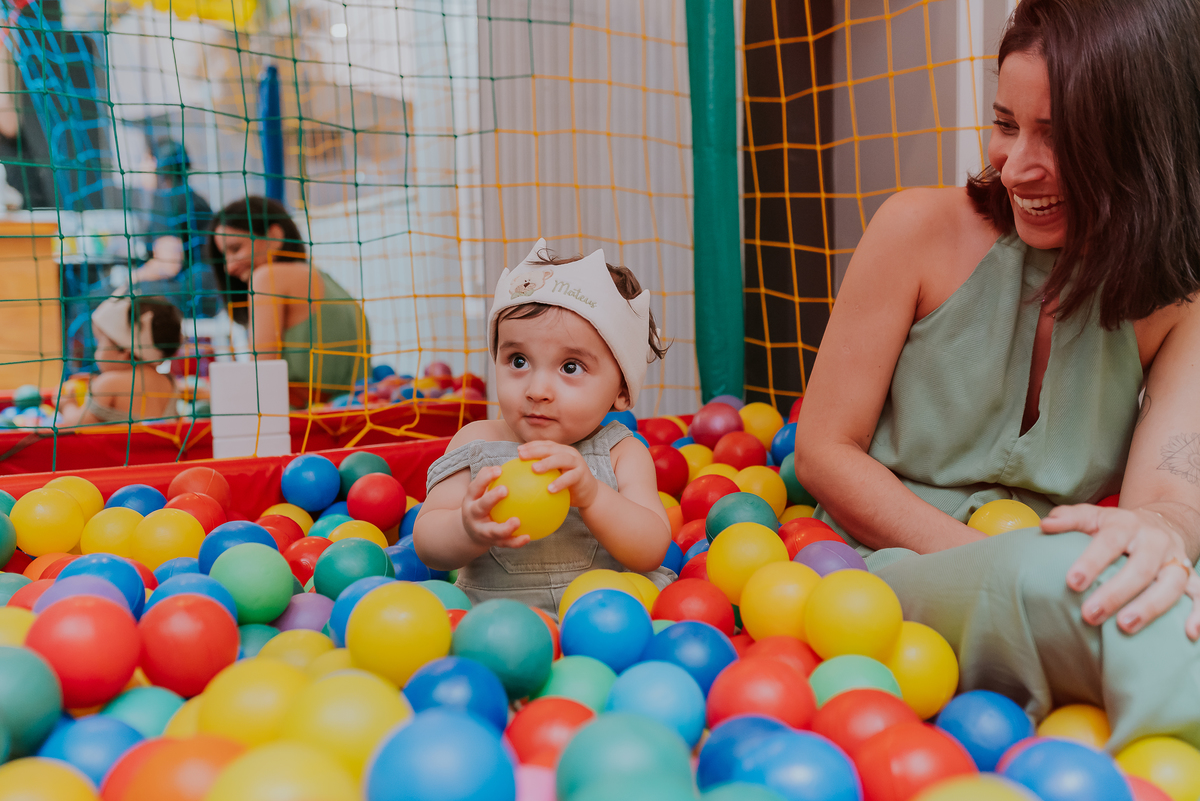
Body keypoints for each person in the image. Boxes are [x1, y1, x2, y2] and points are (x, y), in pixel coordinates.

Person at [795, 0, 1200, 749]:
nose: (1014, 167)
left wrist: (1159, 539)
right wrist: (990, 560)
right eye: (1006, 123)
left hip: (1052, 570)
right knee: (1074, 587)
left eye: (1060, 138)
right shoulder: (915, 228)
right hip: (885, 565)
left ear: (1142, 144)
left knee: (1161, 585)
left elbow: (1171, 495)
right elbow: (822, 449)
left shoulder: (1175, 300)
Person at [413, 240, 674, 615]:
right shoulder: (475, 442)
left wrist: (592, 495)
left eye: (571, 367)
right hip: (496, 620)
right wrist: (466, 527)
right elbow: (427, 542)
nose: (537, 391)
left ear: (621, 390)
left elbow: (651, 547)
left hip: (607, 618)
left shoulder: (621, 452)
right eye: (518, 360)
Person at [206, 196, 371, 407]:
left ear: (274, 236)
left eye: (236, 248)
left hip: (302, 422)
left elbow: (261, 379)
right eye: (224, 257)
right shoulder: (324, 279)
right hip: (352, 413)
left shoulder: (266, 278)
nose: (229, 267)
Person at [118, 138, 218, 318]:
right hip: (211, 293)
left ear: (156, 163)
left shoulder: (167, 198)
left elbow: (168, 264)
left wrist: (129, 278)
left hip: (191, 295)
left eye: (144, 159)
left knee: (107, 296)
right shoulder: (189, 195)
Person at [58, 294, 182, 425]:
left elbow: (77, 425)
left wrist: (67, 404)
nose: (96, 350)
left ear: (124, 351)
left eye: (99, 342)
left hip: (126, 446)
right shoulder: (168, 382)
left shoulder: (107, 384)